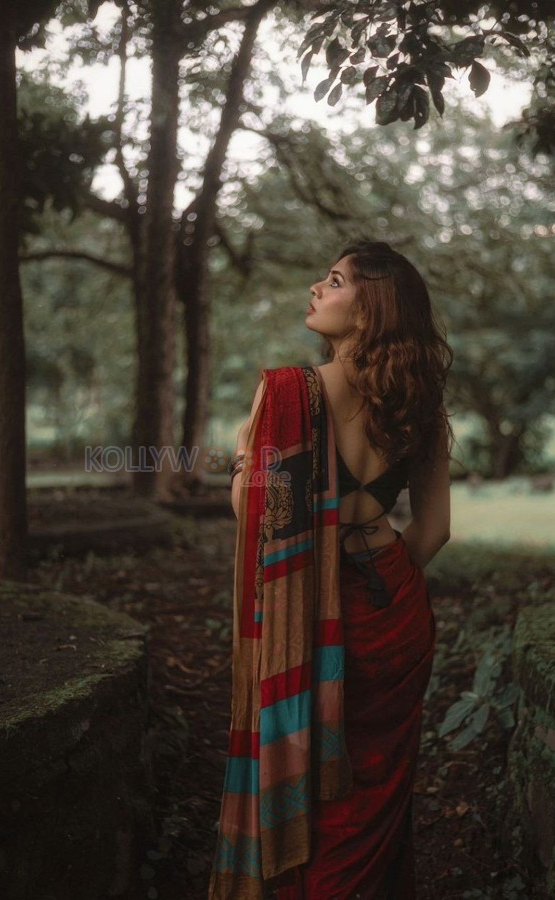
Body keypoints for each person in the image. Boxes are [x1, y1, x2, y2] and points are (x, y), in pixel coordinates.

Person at [208, 241, 454, 900]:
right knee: (372, 798)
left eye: (337, 279)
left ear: (369, 311)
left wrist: (239, 457)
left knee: (308, 792)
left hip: (309, 616)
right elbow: (434, 531)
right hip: (393, 612)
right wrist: (380, 580)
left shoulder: (289, 393)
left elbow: (256, 515)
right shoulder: (421, 406)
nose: (317, 286)